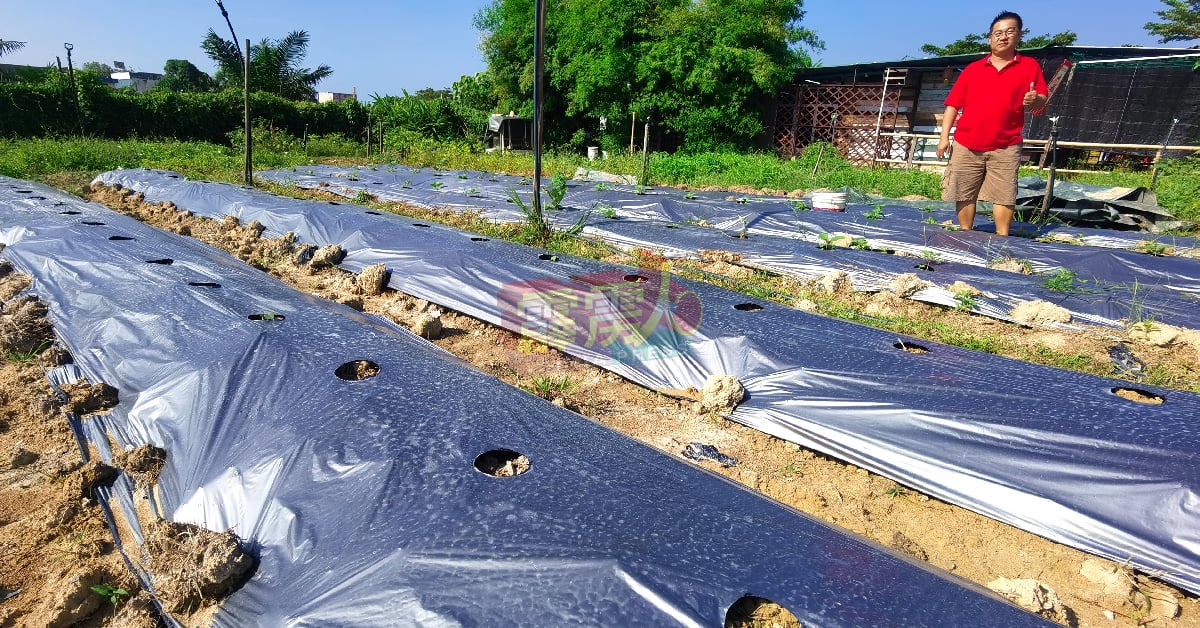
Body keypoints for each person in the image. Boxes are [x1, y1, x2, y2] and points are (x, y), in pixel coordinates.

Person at [936, 10, 1047, 236]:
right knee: (964, 191)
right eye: (998, 33)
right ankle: (966, 232)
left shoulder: (1029, 66)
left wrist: (1035, 99)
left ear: (1019, 36)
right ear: (990, 38)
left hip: (1006, 144)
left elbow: (1042, 99)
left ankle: (1002, 238)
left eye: (1009, 32)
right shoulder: (973, 70)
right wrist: (943, 138)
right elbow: (952, 105)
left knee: (1004, 193)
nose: (1003, 37)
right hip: (967, 142)